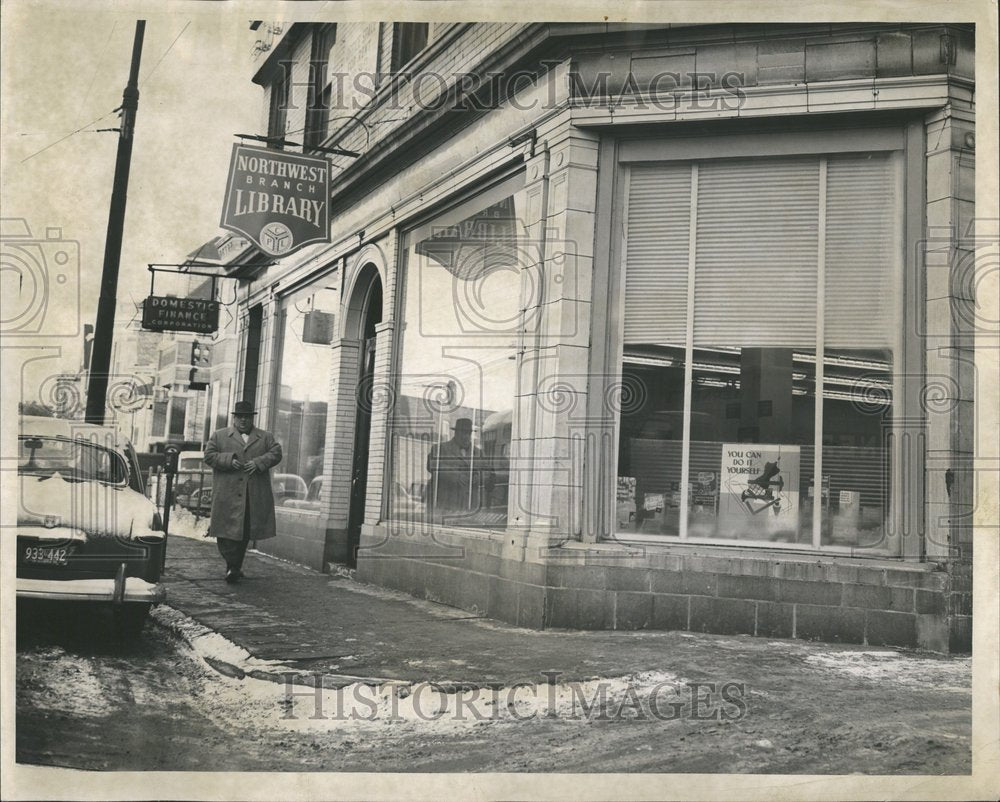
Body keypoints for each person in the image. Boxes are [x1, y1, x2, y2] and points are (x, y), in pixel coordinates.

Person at [204, 400, 282, 582]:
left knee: (244, 532)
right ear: (234, 418)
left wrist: (258, 462)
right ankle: (232, 565)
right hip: (226, 494)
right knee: (224, 532)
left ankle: (233, 567)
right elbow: (208, 456)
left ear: (252, 418)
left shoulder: (265, 437)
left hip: (252, 496)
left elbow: (276, 453)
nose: (243, 421)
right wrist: (228, 460)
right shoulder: (219, 436)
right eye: (240, 417)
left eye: (247, 417)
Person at [426, 417, 494, 523]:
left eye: (468, 433)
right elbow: (432, 465)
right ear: (456, 433)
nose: (466, 436)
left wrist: (477, 478)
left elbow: (488, 472)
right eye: (462, 433)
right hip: (445, 505)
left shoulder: (478, 453)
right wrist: (456, 476)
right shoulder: (441, 449)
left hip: (469, 506)